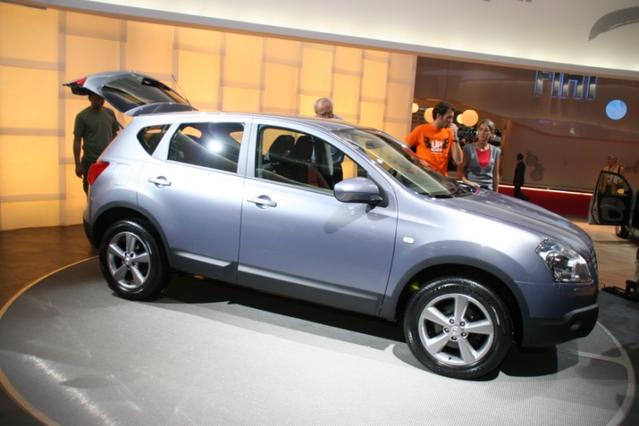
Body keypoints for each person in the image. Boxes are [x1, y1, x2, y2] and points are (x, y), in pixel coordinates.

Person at [73, 92, 121, 193]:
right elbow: (77, 140)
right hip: (90, 161)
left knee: (108, 190)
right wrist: (77, 164)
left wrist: (115, 155)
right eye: (97, 98)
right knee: (90, 190)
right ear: (90, 98)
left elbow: (114, 134)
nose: (100, 101)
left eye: (102, 98)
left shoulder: (110, 113)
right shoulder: (82, 116)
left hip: (107, 161)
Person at [405, 102, 463, 176]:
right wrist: (417, 160)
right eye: (448, 117)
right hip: (422, 175)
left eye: (452, 117)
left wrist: (455, 137)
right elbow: (405, 148)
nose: (451, 121)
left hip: (440, 177)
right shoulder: (421, 129)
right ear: (438, 116)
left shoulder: (449, 132)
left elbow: (458, 160)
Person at [457, 118, 501, 191]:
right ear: (477, 131)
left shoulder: (496, 151)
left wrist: (496, 193)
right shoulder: (468, 148)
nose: (482, 133)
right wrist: (468, 182)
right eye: (480, 129)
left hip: (488, 189)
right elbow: (459, 172)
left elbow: (496, 176)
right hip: (471, 188)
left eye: (486, 130)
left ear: (491, 133)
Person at [314, 97, 343, 182]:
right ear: (316, 114)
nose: (327, 117)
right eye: (323, 114)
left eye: (330, 113)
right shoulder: (312, 124)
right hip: (316, 166)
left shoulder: (340, 124)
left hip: (335, 167)